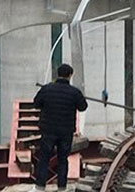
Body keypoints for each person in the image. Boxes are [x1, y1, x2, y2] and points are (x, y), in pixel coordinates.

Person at [33, 63, 89, 191]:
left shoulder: (46, 89)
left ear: (57, 74)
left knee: (44, 158)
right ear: (70, 75)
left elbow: (36, 103)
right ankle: (62, 187)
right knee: (63, 159)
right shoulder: (74, 92)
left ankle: (40, 186)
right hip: (66, 131)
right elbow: (83, 107)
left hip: (48, 130)